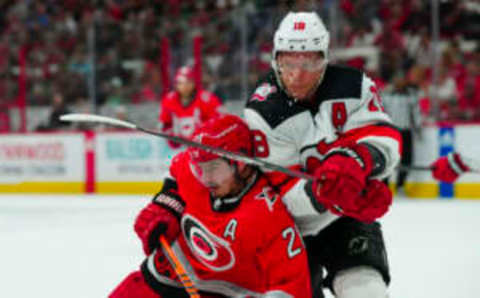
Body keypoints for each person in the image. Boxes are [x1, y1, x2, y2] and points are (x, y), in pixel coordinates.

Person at [244, 12, 402, 298]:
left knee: (368, 292)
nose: (298, 73)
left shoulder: (354, 86)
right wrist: (330, 194)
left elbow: (384, 137)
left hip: (344, 219)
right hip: (288, 228)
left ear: (325, 58)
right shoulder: (262, 110)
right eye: (289, 61)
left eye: (310, 61)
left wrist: (358, 161)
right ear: (276, 59)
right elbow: (278, 190)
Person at [159, 65, 223, 148]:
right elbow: (165, 124)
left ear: (194, 83)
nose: (185, 86)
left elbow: (219, 122)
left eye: (189, 82)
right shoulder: (169, 100)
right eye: (181, 83)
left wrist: (207, 138)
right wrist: (171, 137)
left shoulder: (207, 99)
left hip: (204, 147)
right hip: (179, 148)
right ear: (176, 84)